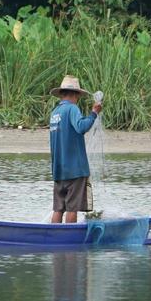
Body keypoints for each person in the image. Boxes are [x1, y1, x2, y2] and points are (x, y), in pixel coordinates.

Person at [48, 74, 102, 223]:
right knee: (72, 208)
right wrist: (93, 114)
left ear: (62, 94)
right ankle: (68, 241)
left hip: (58, 170)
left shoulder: (54, 113)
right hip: (75, 170)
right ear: (74, 94)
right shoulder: (72, 109)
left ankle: (55, 238)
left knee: (58, 208)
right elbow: (81, 127)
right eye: (78, 96)